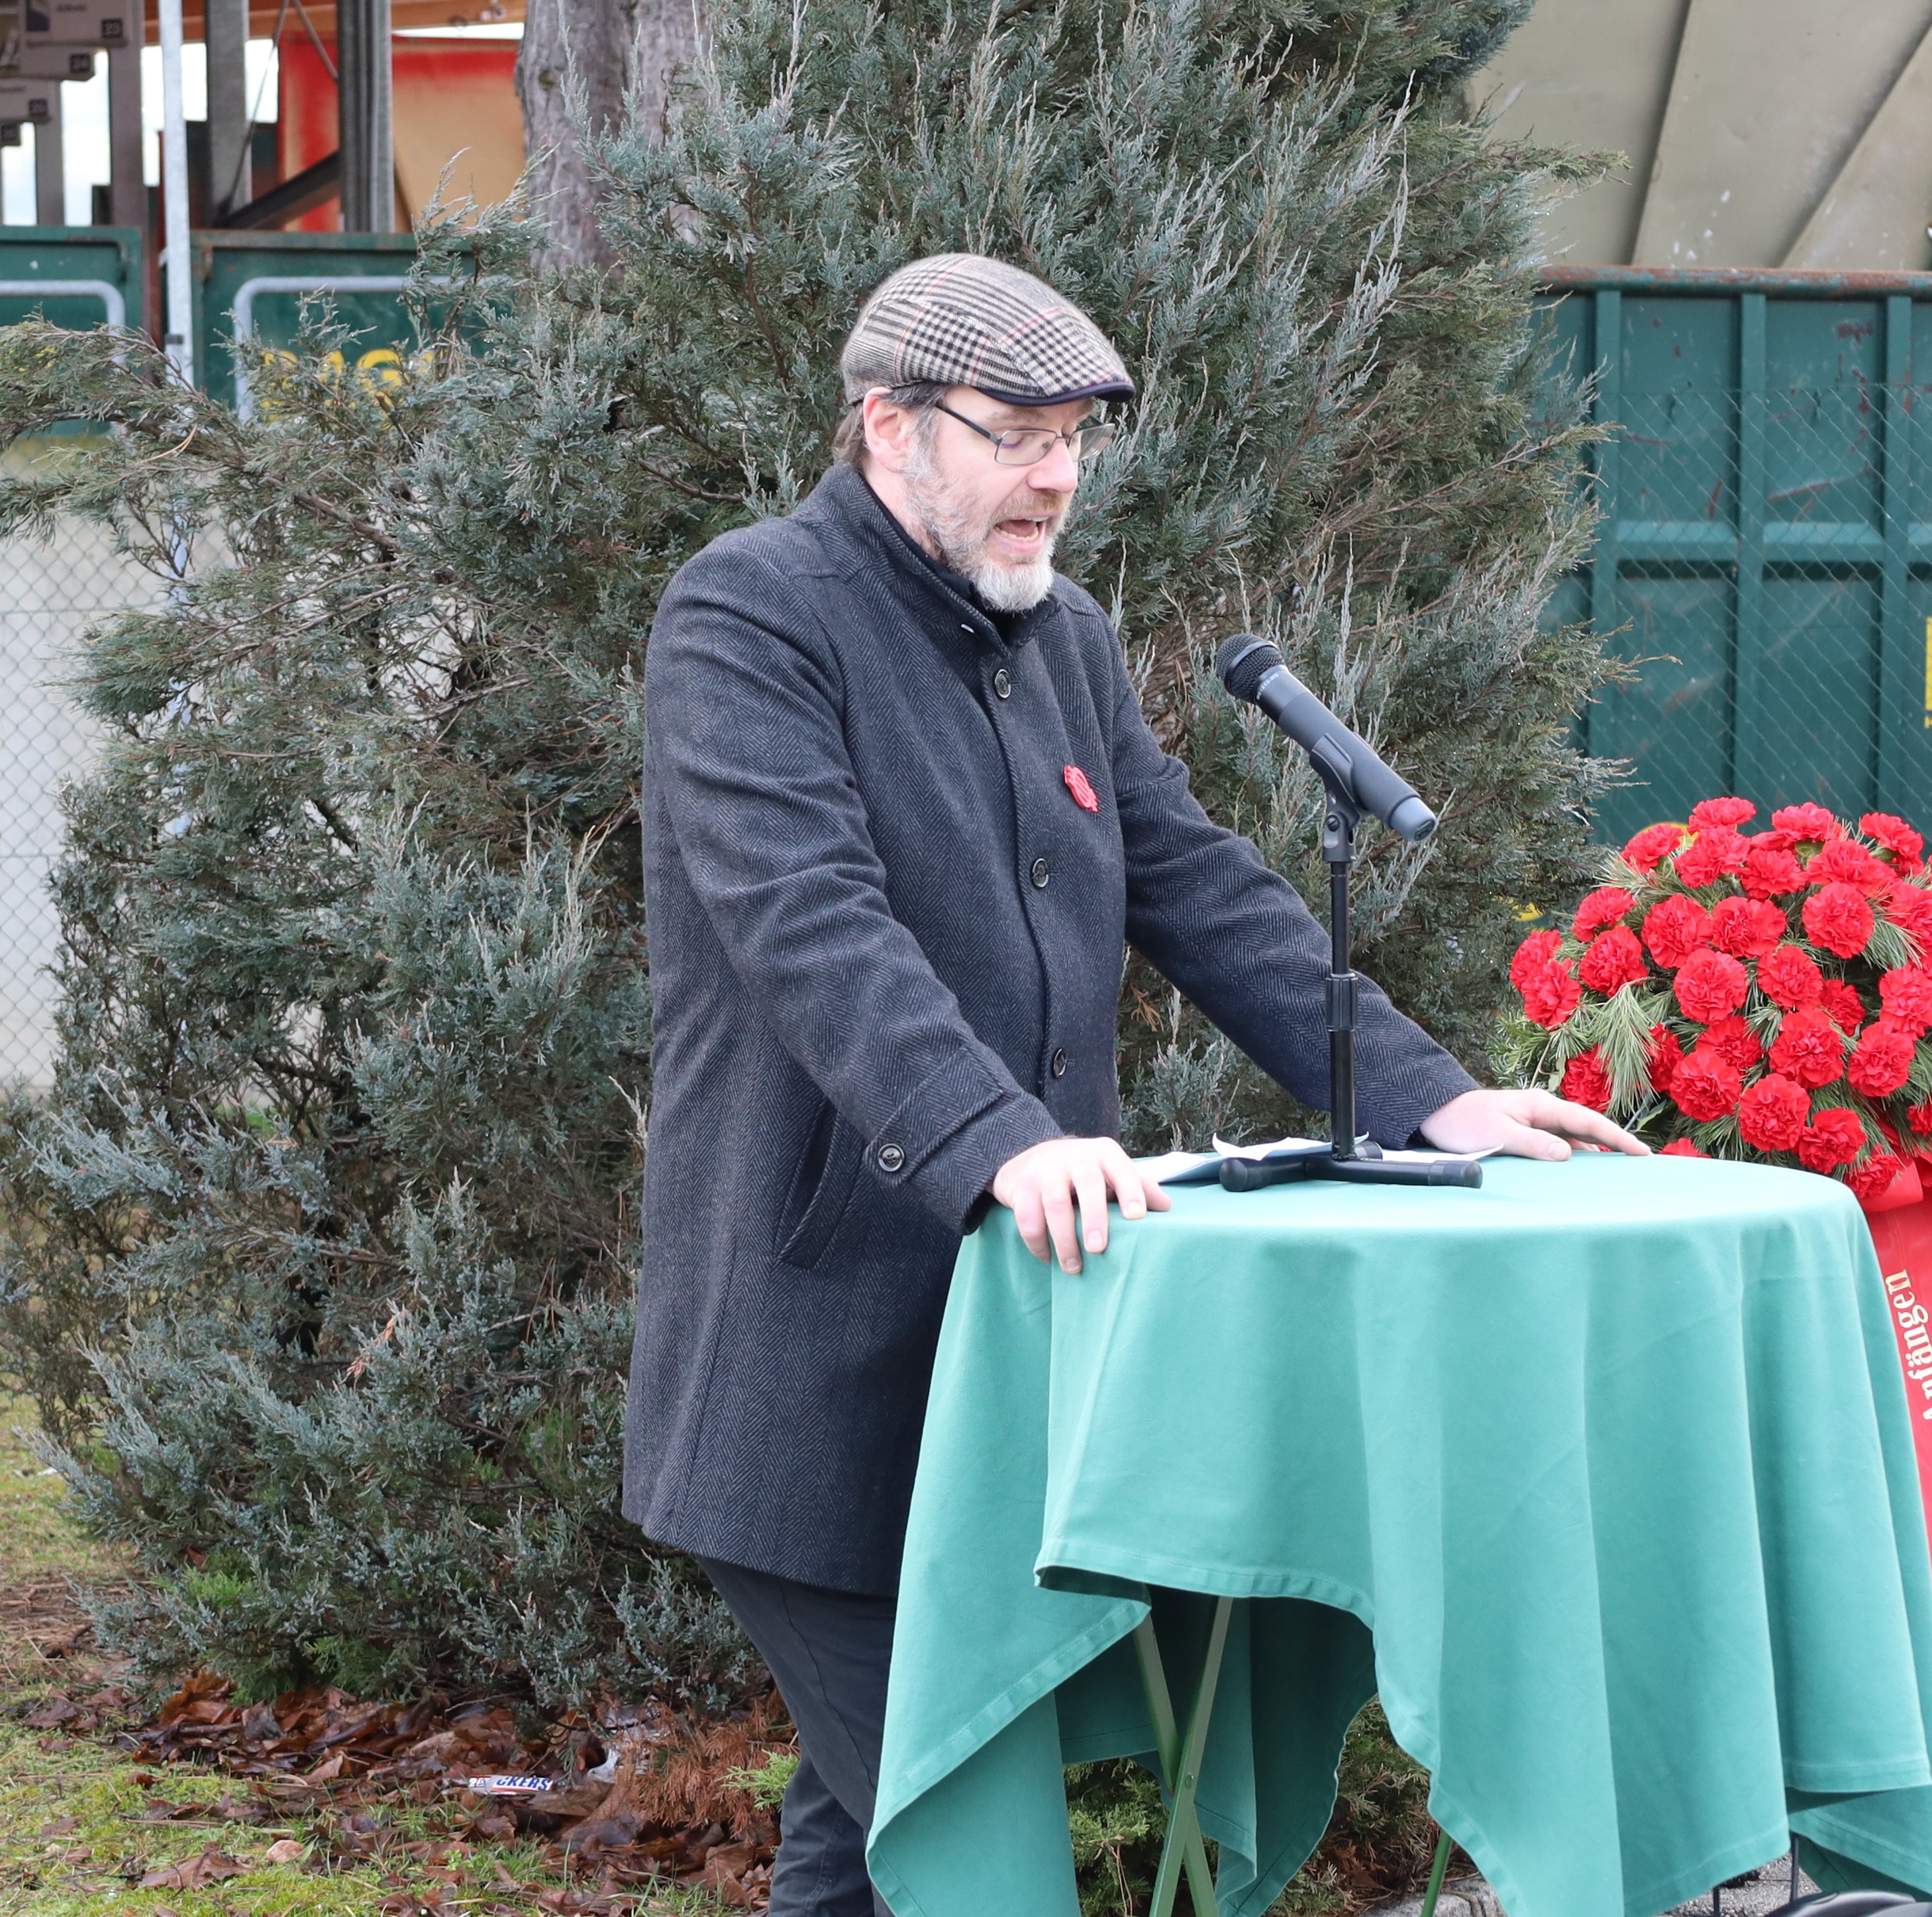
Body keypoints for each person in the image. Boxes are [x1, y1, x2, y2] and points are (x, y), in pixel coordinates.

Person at [627, 253, 1641, 1916]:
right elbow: (813, 927)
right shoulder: (751, 614)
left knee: (877, 1825)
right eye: (1018, 433)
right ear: (888, 425)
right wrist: (999, 1141)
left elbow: (1200, 885)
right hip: (815, 1362)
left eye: (1077, 440)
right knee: (950, 1821)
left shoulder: (1066, 637)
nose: (1057, 476)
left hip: (1017, 1346)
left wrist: (1430, 1097)